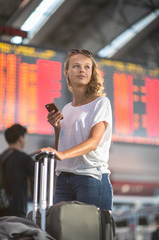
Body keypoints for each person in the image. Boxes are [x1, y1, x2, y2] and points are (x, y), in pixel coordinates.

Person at [41, 49, 113, 210]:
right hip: (64, 177)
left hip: (90, 177)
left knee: (89, 233)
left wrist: (62, 154)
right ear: (66, 72)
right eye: (76, 66)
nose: (82, 70)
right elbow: (63, 146)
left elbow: (94, 142)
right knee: (62, 232)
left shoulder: (101, 103)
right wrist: (57, 127)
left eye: (87, 67)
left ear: (92, 72)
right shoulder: (67, 108)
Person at [0, 123, 34, 218]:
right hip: (17, 208)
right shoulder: (24, 159)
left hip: (1, 207)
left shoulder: (1, 158)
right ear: (20, 138)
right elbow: (37, 177)